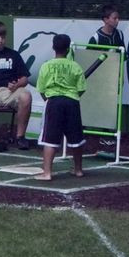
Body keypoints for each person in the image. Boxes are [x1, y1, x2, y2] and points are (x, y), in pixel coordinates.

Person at [34, 32, 88, 181]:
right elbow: (81, 88)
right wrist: (72, 97)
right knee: (76, 138)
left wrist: (48, 100)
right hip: (72, 102)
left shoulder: (46, 66)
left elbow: (41, 89)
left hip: (54, 102)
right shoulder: (75, 66)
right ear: (69, 48)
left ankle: (47, 172)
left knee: (50, 138)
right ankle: (78, 169)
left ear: (53, 47)